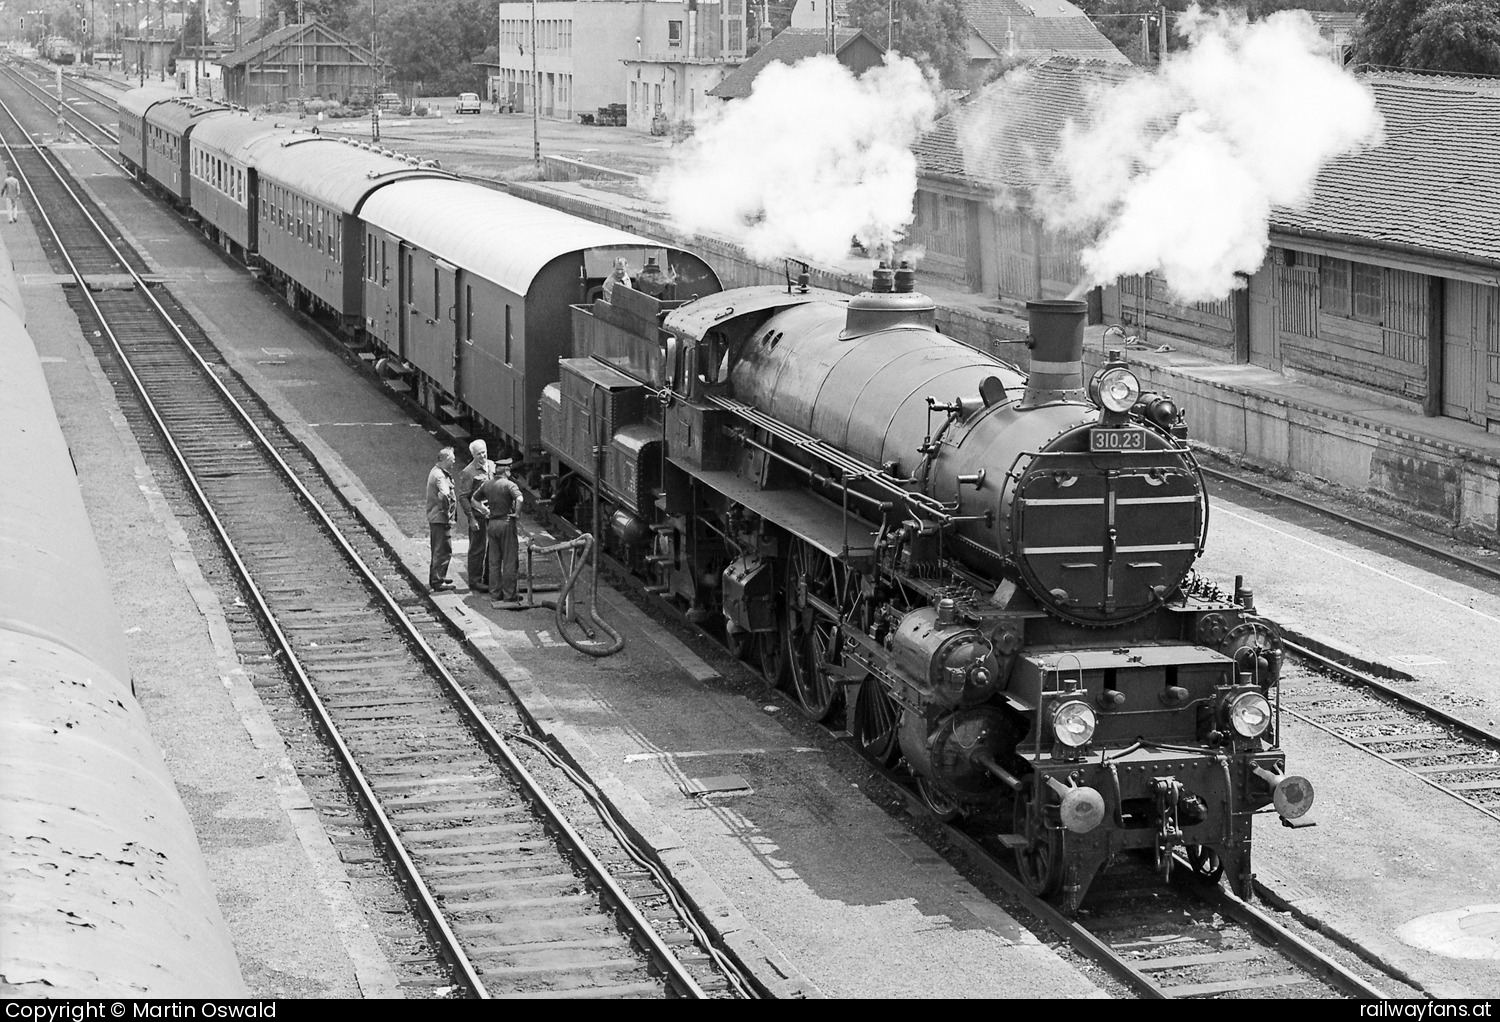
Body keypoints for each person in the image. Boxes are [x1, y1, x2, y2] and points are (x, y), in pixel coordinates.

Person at [473, 457, 524, 606]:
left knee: (494, 561)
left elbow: (474, 500)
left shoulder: (487, 484)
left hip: (492, 524)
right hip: (506, 523)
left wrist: (485, 510)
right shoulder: (509, 485)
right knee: (509, 560)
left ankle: (495, 594)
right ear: (506, 471)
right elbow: (520, 499)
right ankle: (510, 595)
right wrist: (517, 514)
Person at [458, 439, 493, 592]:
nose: (483, 456)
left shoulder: (492, 466)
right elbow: (463, 497)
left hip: (493, 514)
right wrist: (471, 518)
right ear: (473, 455)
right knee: (477, 548)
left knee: (492, 547)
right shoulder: (468, 472)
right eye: (479, 454)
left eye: (484, 452)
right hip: (478, 515)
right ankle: (474, 580)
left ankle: (489, 578)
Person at [425, 447, 458, 591]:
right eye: (452, 459)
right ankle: (438, 581)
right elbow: (445, 494)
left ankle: (439, 576)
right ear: (445, 460)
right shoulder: (439, 476)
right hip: (440, 518)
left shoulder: (437, 472)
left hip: (437, 517)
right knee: (442, 549)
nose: (454, 461)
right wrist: (446, 511)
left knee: (440, 548)